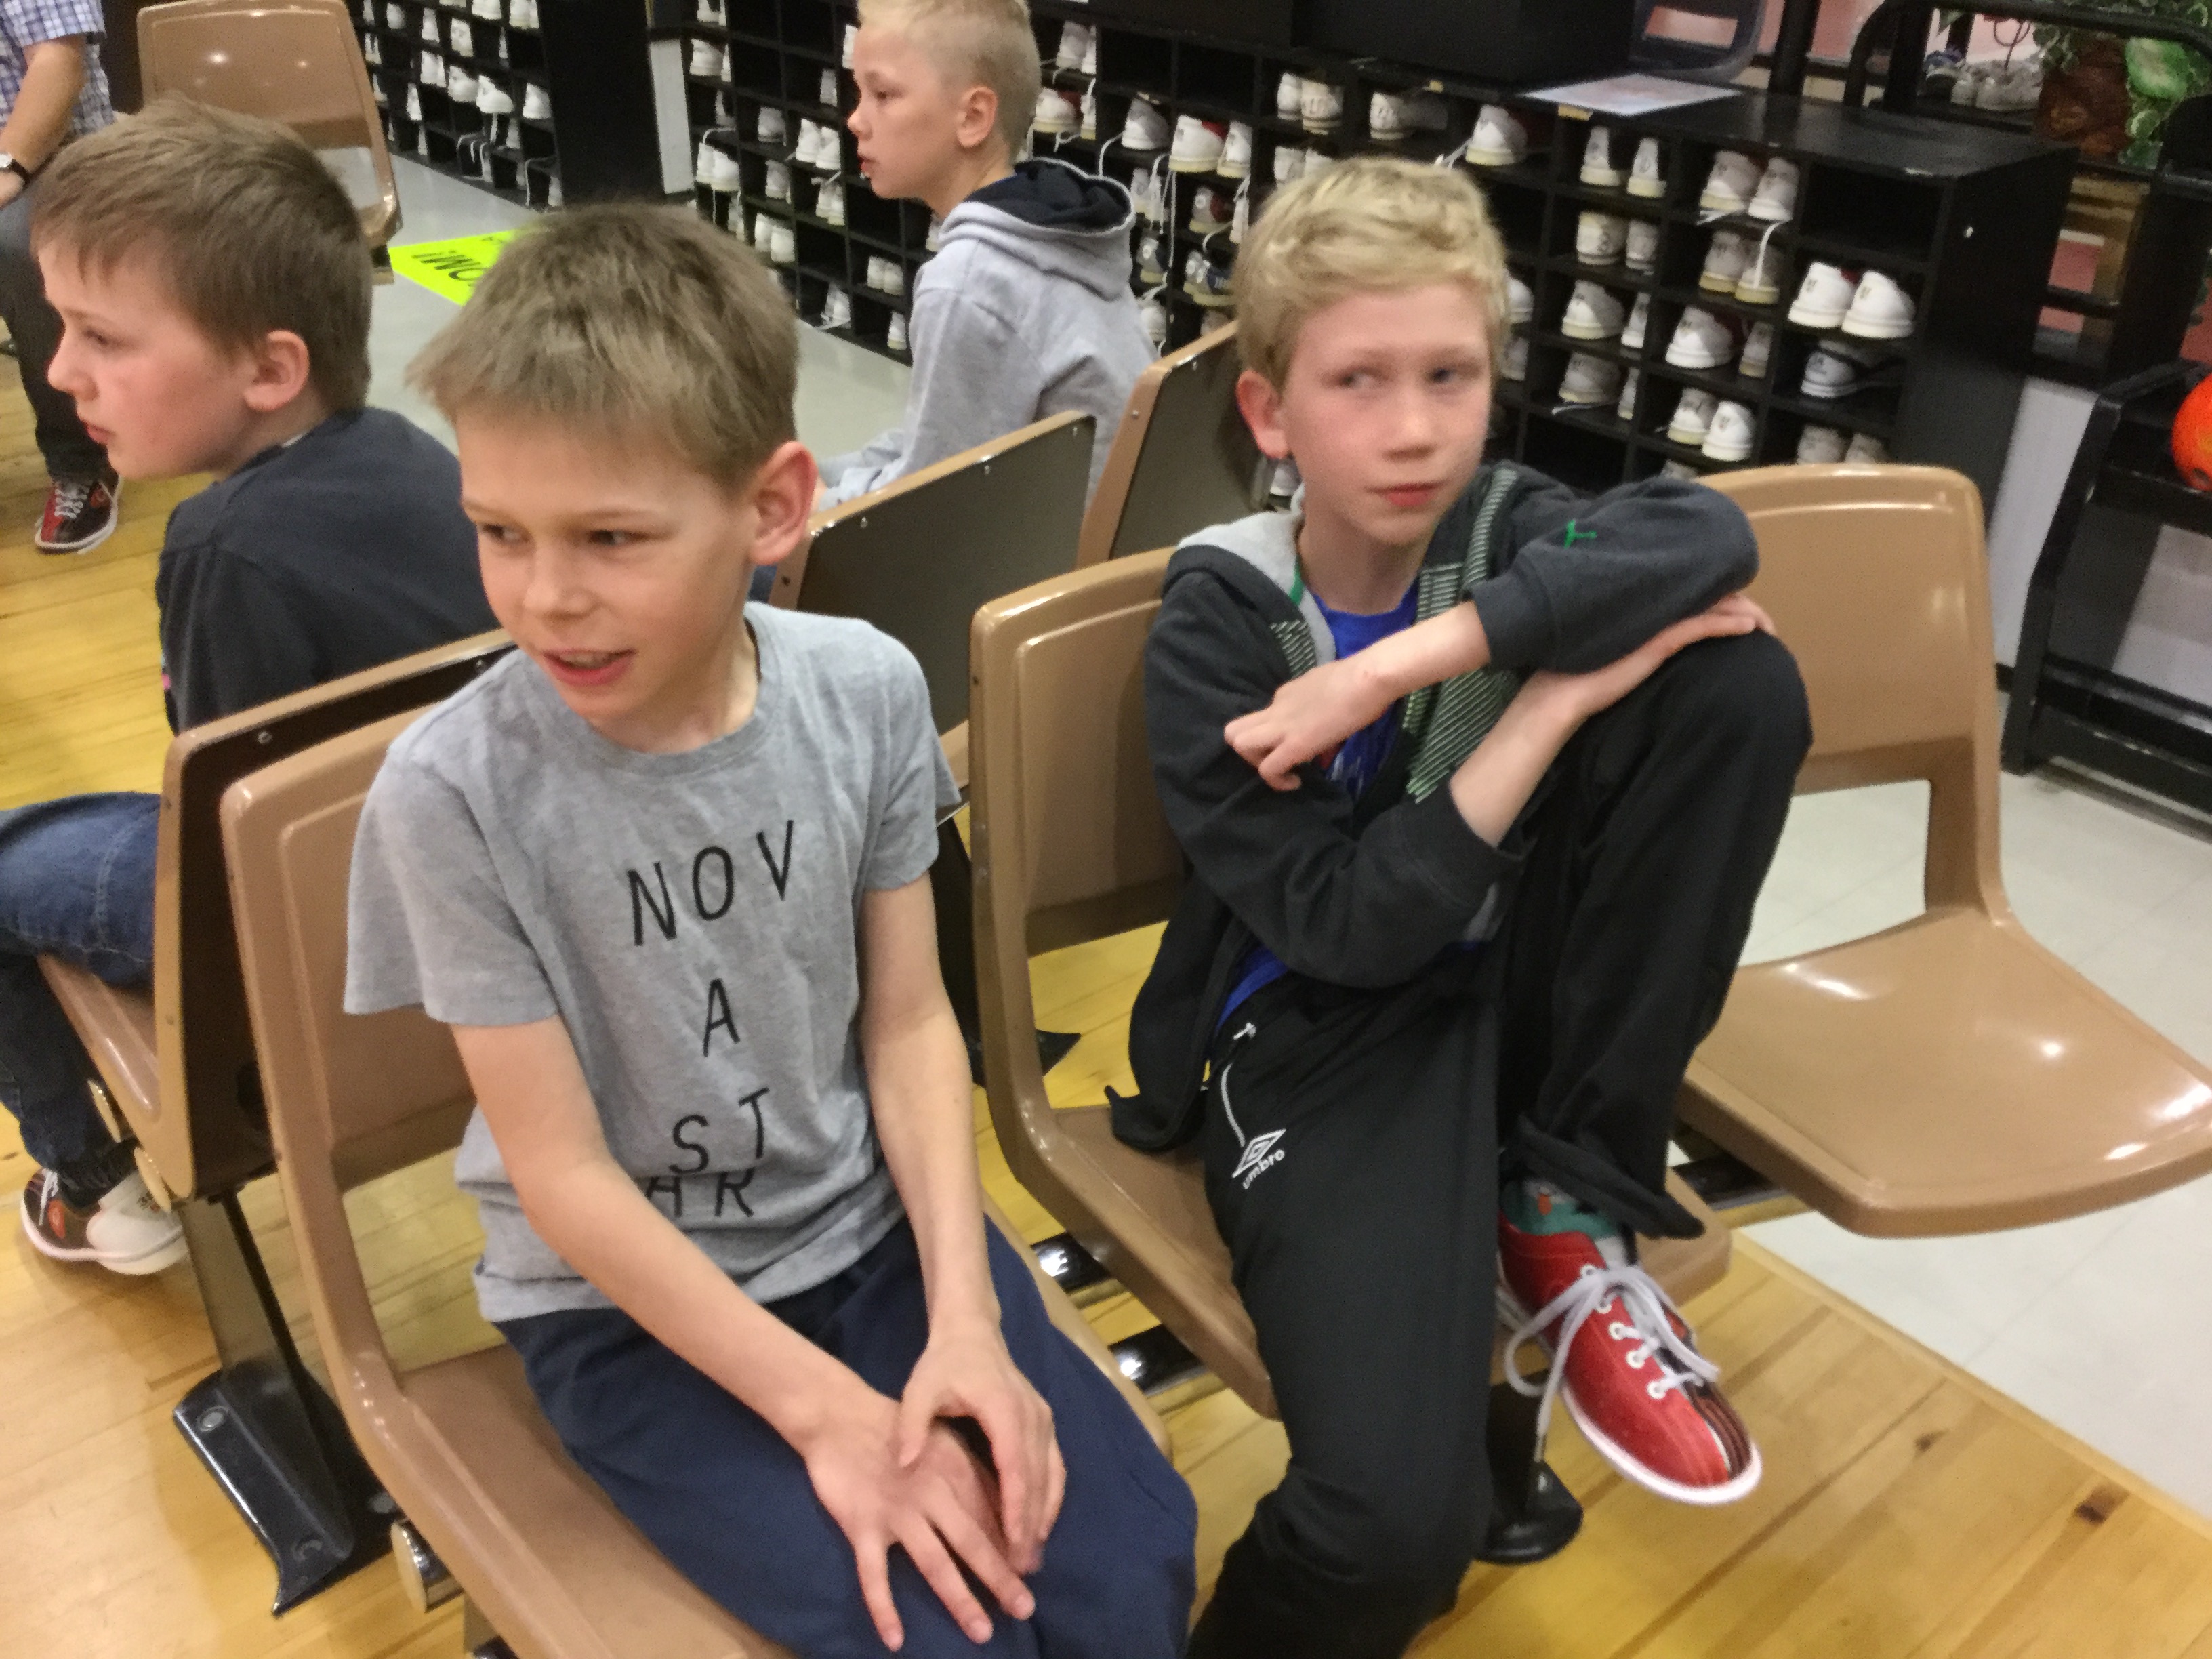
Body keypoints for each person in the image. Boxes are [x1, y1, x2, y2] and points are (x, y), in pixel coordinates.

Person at [346, 203, 1196, 1658]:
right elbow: (561, 1177)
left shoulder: (862, 690)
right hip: (618, 1315)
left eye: (610, 537)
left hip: (866, 1235)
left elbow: (909, 1021)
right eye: (499, 532)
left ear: (773, 506)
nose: (545, 595)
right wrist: (827, 1417)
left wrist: (967, 1317)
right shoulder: (452, 793)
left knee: (1130, 1575)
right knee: (938, 1638)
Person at [1121, 156, 1811, 1659]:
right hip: (1321, 1029)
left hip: (1501, 992)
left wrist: (1396, 666)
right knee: (1387, 1533)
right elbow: (1349, 929)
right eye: (1358, 381)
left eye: (1450, 375)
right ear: (1270, 413)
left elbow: (1707, 536)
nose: (1414, 427)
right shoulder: (1220, 620)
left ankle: (1558, 1198)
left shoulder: (1505, 522)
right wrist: (1549, 697)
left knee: (1737, 684)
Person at [5, 100, 493, 1273]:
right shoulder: (415, 452)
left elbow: (230, 854)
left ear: (271, 368)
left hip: (341, 943)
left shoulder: (224, 549)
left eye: (101, 338)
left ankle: (93, 1186)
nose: (62, 372)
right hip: (469, 895)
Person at [828, 0, 1150, 509]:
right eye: (859, 94)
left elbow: (927, 504)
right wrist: (822, 479)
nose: (855, 120)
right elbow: (930, 440)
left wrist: (814, 507)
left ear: (973, 117)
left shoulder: (967, 285)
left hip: (1045, 551)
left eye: (883, 95)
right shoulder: (1053, 232)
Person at [0, 0, 117, 552]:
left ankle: (81, 462)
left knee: (19, 245)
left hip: (52, 155)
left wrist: (7, 169)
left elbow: (57, 64)